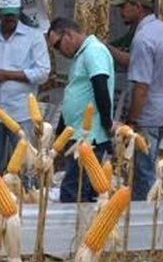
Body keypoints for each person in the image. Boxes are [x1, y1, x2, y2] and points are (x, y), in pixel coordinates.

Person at [107, 0, 163, 201]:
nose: (121, 12)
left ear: (138, 7)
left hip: (148, 113)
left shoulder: (142, 39)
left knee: (143, 170)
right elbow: (138, 63)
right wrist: (108, 49)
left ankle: (144, 216)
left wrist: (132, 121)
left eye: (124, 7)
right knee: (149, 162)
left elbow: (141, 86)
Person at [0, 0, 50, 179]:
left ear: (19, 12)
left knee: (26, 161)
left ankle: (26, 202)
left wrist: (7, 75)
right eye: (6, 15)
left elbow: (43, 73)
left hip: (21, 111)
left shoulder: (34, 37)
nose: (9, 19)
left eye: (13, 15)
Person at [46, 17, 115, 203]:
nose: (58, 51)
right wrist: (61, 132)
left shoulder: (94, 51)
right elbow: (74, 95)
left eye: (58, 45)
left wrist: (107, 123)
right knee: (79, 189)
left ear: (68, 34)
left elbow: (100, 86)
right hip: (77, 134)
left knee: (73, 192)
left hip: (88, 137)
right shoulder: (81, 55)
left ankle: (76, 230)